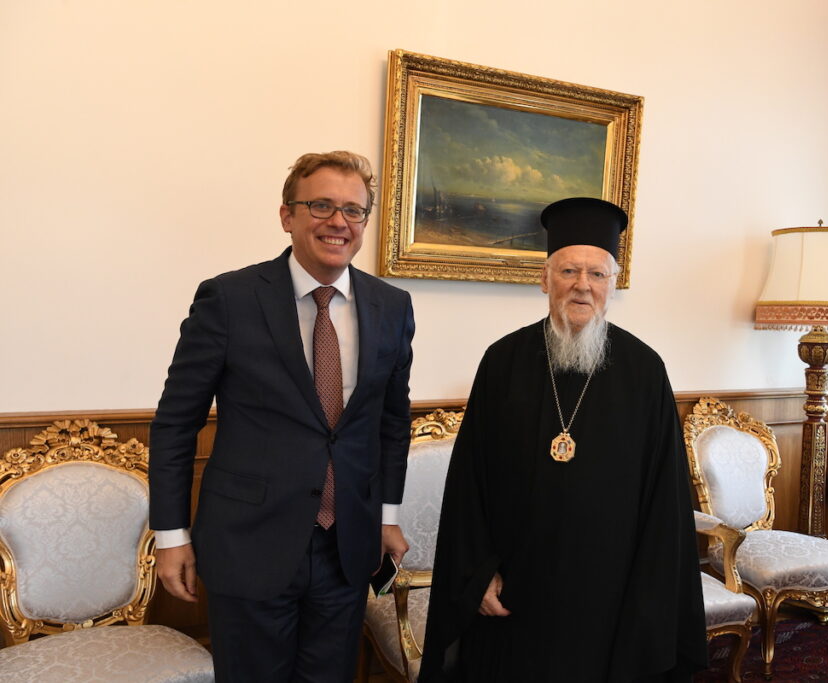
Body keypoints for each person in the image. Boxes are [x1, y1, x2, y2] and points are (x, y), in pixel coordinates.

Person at [149, 151, 414, 682]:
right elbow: (176, 422)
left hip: (347, 547)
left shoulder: (392, 305)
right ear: (287, 215)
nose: (338, 221)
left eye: (353, 210)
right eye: (321, 205)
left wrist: (386, 516)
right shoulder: (229, 298)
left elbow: (391, 421)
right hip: (249, 545)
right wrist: (171, 535)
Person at [420, 197, 707, 682]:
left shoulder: (644, 371)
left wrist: (648, 597)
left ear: (612, 285)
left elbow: (666, 501)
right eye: (569, 271)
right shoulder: (502, 362)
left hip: (611, 599)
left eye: (597, 274)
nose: (582, 285)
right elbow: (469, 484)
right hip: (517, 592)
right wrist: (477, 575)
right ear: (545, 279)